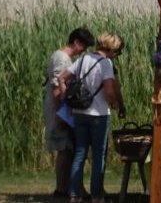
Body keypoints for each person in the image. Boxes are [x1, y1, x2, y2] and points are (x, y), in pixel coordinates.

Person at [68, 33, 126, 203]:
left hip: (79, 113)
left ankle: (74, 194)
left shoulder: (83, 58)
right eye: (117, 52)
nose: (116, 55)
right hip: (98, 114)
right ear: (112, 49)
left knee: (80, 153)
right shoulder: (106, 63)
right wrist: (115, 104)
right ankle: (96, 194)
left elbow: (64, 76)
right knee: (98, 156)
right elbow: (109, 90)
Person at [47, 27, 95, 200]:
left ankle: (69, 187)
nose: (84, 51)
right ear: (76, 43)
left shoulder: (63, 57)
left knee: (69, 149)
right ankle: (61, 188)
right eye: (84, 47)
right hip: (61, 110)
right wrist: (62, 113)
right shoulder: (62, 59)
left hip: (64, 109)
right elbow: (56, 89)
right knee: (64, 149)